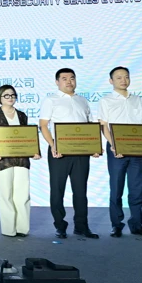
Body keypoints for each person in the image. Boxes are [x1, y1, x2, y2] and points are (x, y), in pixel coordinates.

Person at [38, 68, 102, 240]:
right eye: (64, 78)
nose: (69, 81)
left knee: (81, 191)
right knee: (57, 190)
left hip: (81, 151)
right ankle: (60, 226)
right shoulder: (51, 100)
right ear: (57, 82)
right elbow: (43, 125)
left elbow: (89, 126)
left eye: (72, 78)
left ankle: (82, 226)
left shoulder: (82, 100)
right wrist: (53, 145)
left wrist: (94, 146)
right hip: (59, 151)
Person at [97, 67, 142, 239]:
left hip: (137, 150)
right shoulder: (106, 101)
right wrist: (113, 145)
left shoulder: (137, 100)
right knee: (116, 188)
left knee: (137, 189)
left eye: (126, 77)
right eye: (119, 77)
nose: (123, 80)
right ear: (111, 81)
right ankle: (116, 225)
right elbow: (103, 126)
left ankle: (137, 225)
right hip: (116, 150)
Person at [0, 84, 40, 237]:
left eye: (13, 95)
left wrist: (34, 151)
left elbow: (27, 137)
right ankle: (9, 230)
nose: (10, 98)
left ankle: (22, 228)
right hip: (2, 161)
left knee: (22, 195)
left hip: (21, 160)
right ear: (0, 98)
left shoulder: (22, 115)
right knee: (6, 195)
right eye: (6, 95)